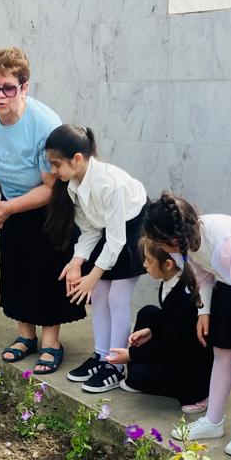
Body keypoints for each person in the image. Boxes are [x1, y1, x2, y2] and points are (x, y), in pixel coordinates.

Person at [0, 47, 84, 375]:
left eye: (8, 87)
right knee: (17, 270)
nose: (0, 95)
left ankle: (51, 342)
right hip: (10, 202)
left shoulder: (43, 123)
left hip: (47, 204)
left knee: (47, 271)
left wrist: (9, 208)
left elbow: (50, 187)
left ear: (25, 87)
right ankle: (25, 336)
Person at [140, 192, 231, 446]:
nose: (159, 248)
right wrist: (204, 311)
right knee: (221, 350)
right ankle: (213, 420)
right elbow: (202, 274)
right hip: (229, 280)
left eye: (159, 243)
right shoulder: (184, 244)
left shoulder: (223, 246)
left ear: (174, 239)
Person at [42, 125, 148, 393]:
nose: (54, 172)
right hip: (109, 230)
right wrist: (77, 262)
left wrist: (92, 274)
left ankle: (114, 364)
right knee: (99, 295)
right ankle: (101, 356)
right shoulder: (73, 186)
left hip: (133, 226)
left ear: (77, 159)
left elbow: (116, 240)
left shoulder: (109, 184)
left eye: (56, 165)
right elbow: (90, 230)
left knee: (117, 297)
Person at [105, 240, 211, 412]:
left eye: (149, 260)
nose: (145, 264)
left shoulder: (184, 296)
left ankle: (201, 394)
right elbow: (167, 319)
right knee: (148, 313)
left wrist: (132, 355)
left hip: (189, 361)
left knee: (137, 376)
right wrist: (151, 330)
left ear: (168, 264)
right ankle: (142, 370)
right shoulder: (171, 280)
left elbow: (171, 344)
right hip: (175, 341)